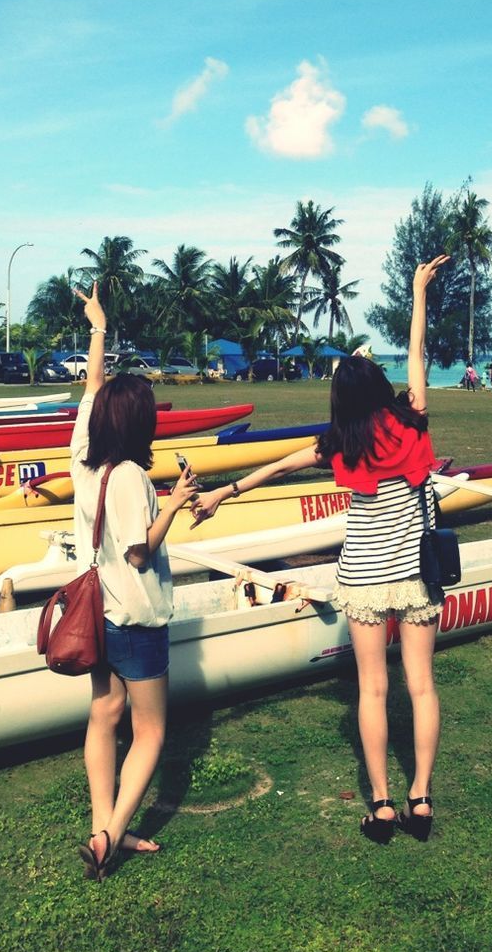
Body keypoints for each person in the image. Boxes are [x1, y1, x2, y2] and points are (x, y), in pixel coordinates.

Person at [193, 256, 451, 844]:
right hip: (416, 573)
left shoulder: (340, 442)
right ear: (383, 390)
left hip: (362, 575)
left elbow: (279, 464)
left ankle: (382, 804)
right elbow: (417, 353)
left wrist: (223, 495)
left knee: (372, 689)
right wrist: (417, 292)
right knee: (421, 686)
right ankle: (423, 798)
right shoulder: (412, 422)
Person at [71, 282, 199, 881]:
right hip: (134, 620)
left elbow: (92, 392)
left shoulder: (84, 457)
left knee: (105, 715)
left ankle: (102, 826)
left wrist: (98, 327)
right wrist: (172, 506)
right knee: (149, 730)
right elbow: (140, 554)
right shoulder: (128, 478)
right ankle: (112, 836)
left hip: (97, 613)